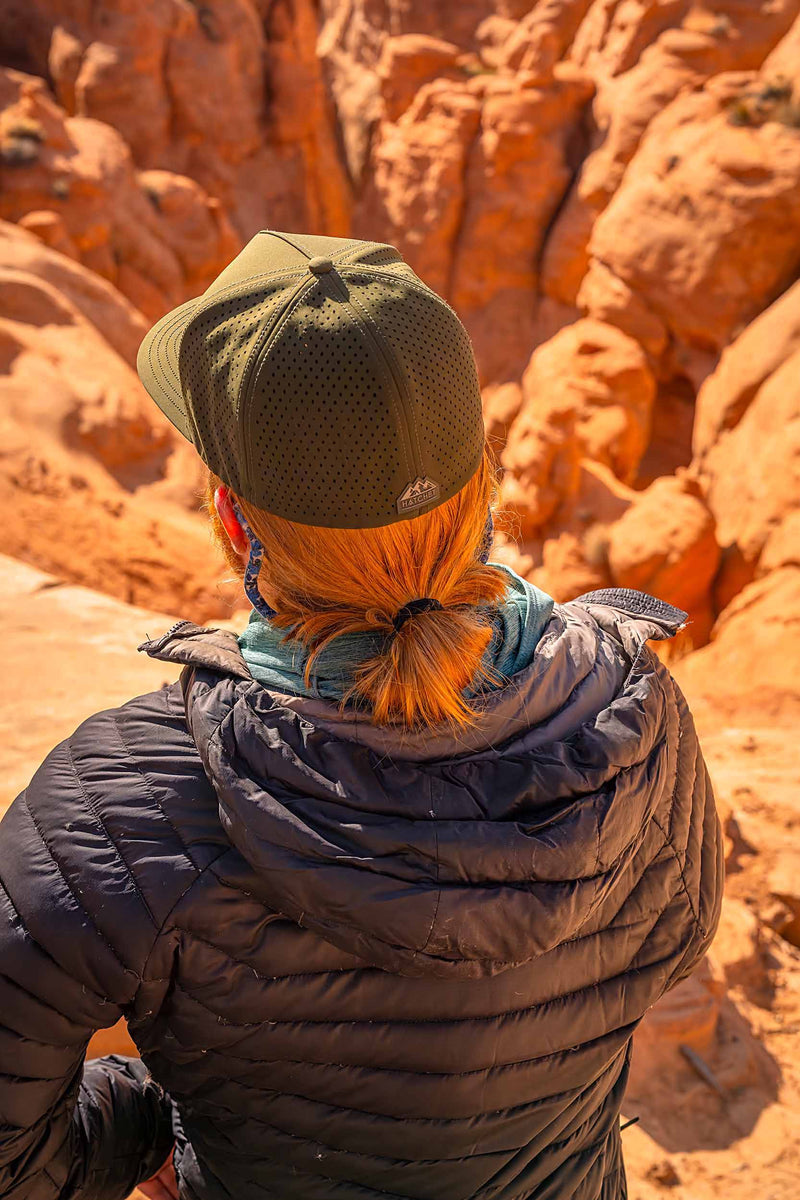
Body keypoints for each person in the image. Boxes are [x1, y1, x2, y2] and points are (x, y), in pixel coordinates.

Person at [0, 230, 723, 1200]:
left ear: (231, 517)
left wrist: (149, 1121)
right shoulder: (632, 714)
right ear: (483, 490)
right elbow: (662, 947)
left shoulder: (128, 800)